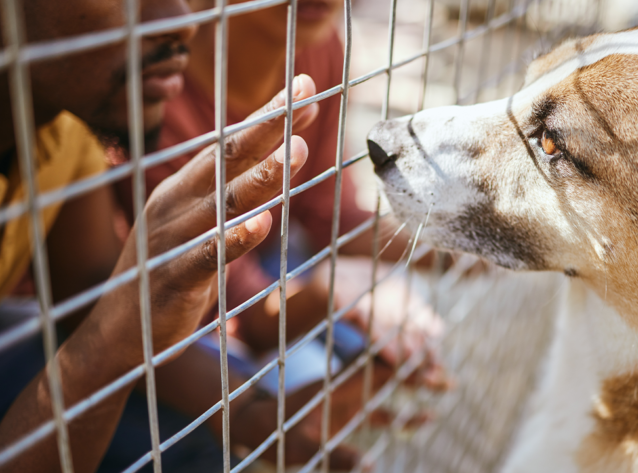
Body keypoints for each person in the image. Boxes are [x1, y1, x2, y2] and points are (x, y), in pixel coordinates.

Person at [0, 1, 439, 472]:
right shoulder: (152, 101)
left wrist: (252, 415)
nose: (180, 18)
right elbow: (219, 312)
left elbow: (91, 288)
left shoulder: (73, 132)